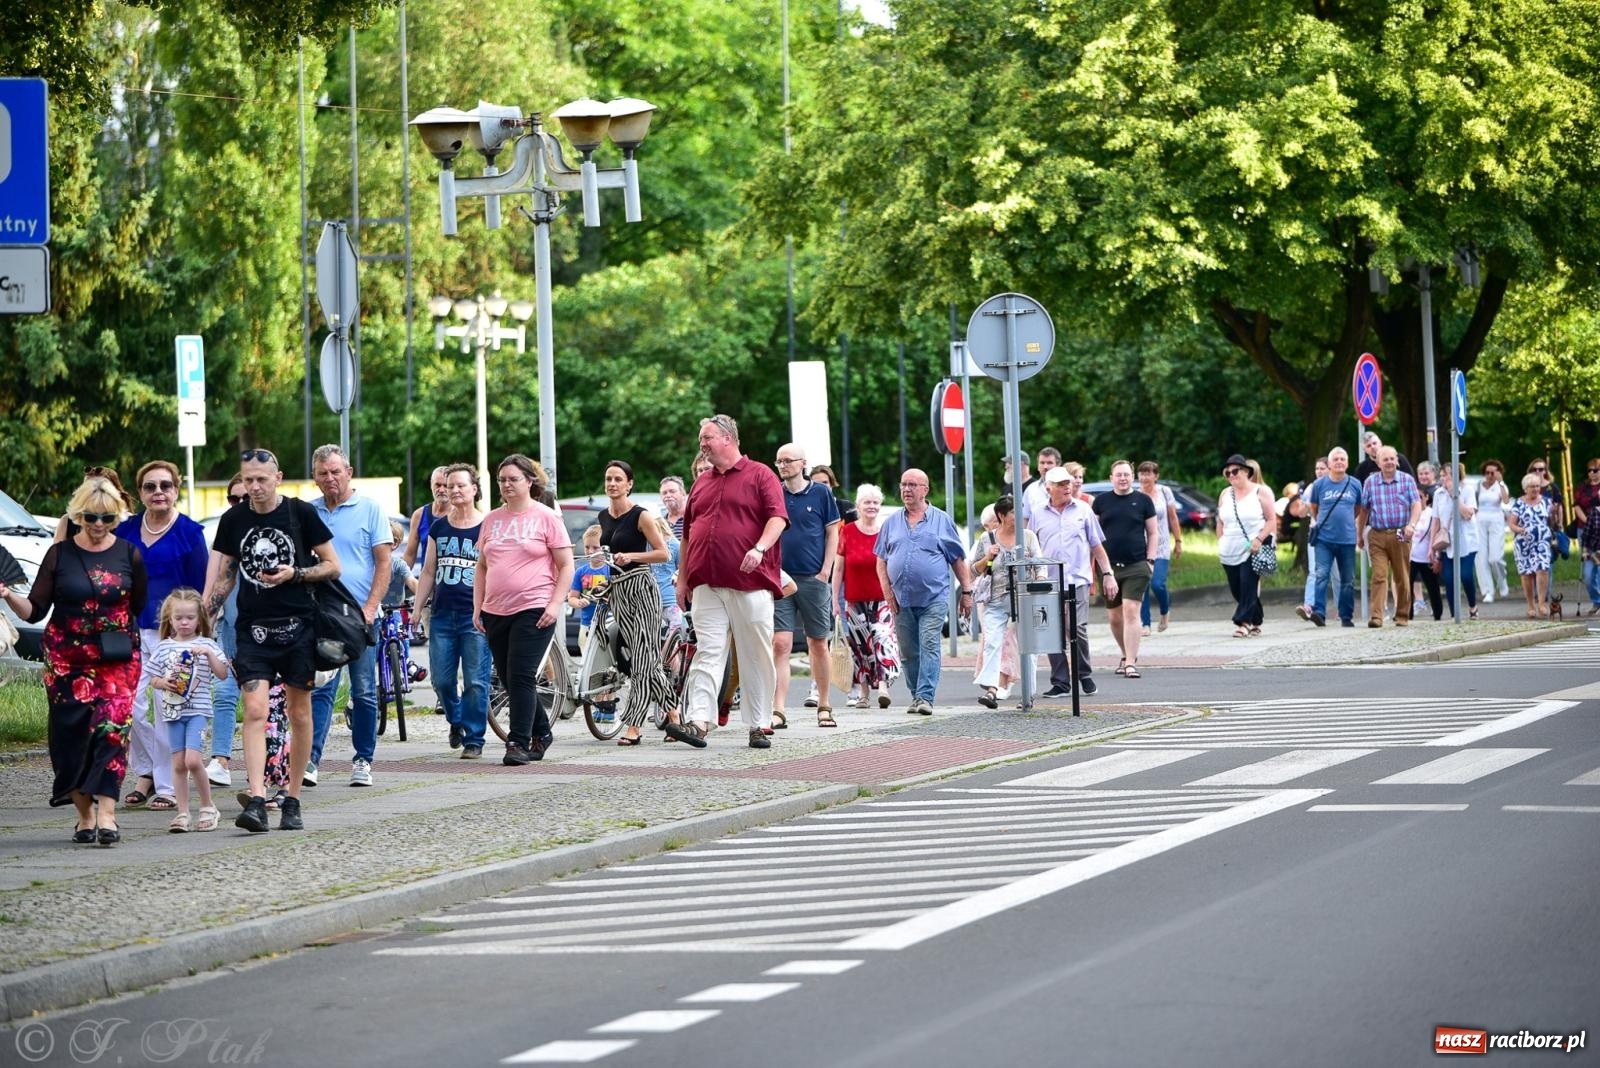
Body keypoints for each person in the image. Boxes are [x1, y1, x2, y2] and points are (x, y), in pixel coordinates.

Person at [1, 476, 146, 846]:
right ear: (76, 515)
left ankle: (108, 816)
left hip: (117, 661)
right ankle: (85, 816)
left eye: (107, 518)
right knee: (71, 742)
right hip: (67, 663)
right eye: (90, 517)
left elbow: (138, 605)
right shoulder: (59, 555)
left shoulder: (129, 553)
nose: (98, 526)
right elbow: (34, 611)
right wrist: (6, 595)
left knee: (112, 732)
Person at [204, 447, 341, 833]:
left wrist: (295, 574)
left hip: (298, 627)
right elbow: (226, 574)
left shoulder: (301, 513)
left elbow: (332, 565)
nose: (254, 487)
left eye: (262, 479)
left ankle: (293, 798)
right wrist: (207, 614)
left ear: (278, 477)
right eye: (248, 480)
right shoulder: (234, 519)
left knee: (299, 713)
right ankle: (258, 798)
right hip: (253, 630)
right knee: (254, 709)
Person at [669, 414, 788, 749]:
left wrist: (759, 548)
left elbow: (778, 518)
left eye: (707, 438)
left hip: (750, 581)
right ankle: (698, 721)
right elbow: (688, 535)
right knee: (707, 652)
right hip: (706, 582)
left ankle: (759, 724)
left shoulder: (761, 474)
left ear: (727, 438)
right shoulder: (702, 483)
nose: (702, 444)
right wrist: (683, 580)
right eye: (701, 439)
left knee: (755, 653)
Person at [115, 460, 209, 814]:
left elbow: (199, 589)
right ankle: (146, 772)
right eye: (150, 486)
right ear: (139, 493)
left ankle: (166, 785)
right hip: (129, 631)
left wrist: (194, 639)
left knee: (167, 707)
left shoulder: (189, 533)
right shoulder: (124, 532)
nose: (158, 492)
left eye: (165, 486)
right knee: (131, 707)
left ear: (176, 489)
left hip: (173, 636)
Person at [475, 453, 574, 764]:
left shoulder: (546, 517)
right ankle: (541, 732)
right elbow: (481, 567)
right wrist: (478, 607)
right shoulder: (491, 519)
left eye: (513, 479)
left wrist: (556, 603)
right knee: (508, 677)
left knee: (521, 674)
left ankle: (517, 743)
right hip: (495, 610)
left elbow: (566, 564)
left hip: (534, 607)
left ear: (530, 481)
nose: (506, 484)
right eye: (502, 480)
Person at [306, 444, 394, 789]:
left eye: (335, 471)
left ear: (349, 472)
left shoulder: (370, 508)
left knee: (364, 690)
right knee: (321, 690)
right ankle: (311, 759)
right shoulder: (309, 512)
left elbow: (384, 563)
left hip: (359, 616)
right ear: (315, 478)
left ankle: (362, 760)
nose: (330, 478)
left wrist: (371, 608)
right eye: (323, 473)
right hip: (322, 616)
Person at [876, 468, 975, 715]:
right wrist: (887, 592)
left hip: (934, 597)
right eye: (903, 485)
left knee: (930, 644)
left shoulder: (942, 521)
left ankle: (925, 697)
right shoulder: (891, 523)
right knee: (909, 652)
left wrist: (967, 592)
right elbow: (881, 560)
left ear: (925, 490)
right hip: (901, 599)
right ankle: (916, 695)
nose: (906, 489)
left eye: (912, 485)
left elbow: (958, 559)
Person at [596, 460, 680, 746]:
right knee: (648, 662)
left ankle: (633, 725)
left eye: (618, 479)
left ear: (629, 484)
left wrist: (631, 556)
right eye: (609, 479)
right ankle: (674, 713)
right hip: (618, 591)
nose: (612, 484)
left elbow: (663, 554)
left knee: (643, 660)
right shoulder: (603, 517)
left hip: (642, 587)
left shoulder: (641, 516)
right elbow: (608, 554)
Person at [413, 462, 491, 759]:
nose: (454, 490)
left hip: (476, 616)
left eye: (461, 485)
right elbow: (429, 571)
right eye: (449, 485)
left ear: (474, 489)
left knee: (475, 680)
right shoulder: (438, 526)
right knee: (442, 680)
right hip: (443, 614)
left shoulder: (487, 525)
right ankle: (456, 720)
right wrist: (418, 609)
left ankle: (474, 739)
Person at [146, 587, 229, 832]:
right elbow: (152, 678)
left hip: (198, 711)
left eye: (190, 618)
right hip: (173, 712)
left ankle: (208, 806)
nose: (184, 622)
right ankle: (183, 812)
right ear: (169, 619)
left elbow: (223, 674)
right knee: (179, 764)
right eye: (178, 617)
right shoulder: (163, 647)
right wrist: (163, 683)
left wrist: (208, 654)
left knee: (193, 760)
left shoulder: (206, 644)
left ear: (199, 618)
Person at [772, 443, 841, 729]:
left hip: (812, 577)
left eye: (788, 460)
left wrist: (825, 571)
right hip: (781, 578)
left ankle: (824, 704)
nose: (783, 465)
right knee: (780, 644)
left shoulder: (821, 492)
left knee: (817, 643)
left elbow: (832, 532)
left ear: (803, 463)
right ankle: (777, 708)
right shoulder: (774, 492)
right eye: (779, 461)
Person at [1032, 467, 1111, 696]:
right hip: (1048, 581)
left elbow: (1096, 545)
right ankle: (1061, 681)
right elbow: (1031, 547)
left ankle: (1083, 673)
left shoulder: (1083, 510)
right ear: (1049, 488)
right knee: (1051, 630)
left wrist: (1107, 574)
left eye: (1068, 482)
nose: (1067, 486)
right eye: (1060, 484)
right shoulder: (1038, 512)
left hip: (1078, 578)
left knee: (1076, 627)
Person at [831, 483, 900, 710]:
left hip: (882, 598)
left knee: (881, 638)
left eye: (875, 502)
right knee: (861, 646)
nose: (871, 506)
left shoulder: (886, 532)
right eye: (867, 502)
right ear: (858, 506)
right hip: (854, 599)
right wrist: (835, 600)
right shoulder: (847, 531)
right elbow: (839, 569)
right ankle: (863, 692)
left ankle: (882, 686)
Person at [968, 495, 1039, 707]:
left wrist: (1040, 581)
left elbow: (1040, 563)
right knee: (992, 642)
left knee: (1028, 645)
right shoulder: (987, 539)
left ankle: (1029, 693)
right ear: (1001, 515)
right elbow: (974, 570)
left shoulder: (1028, 537)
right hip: (996, 598)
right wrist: (988, 556)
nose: (1018, 516)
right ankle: (991, 690)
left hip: (1025, 599)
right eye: (1013, 513)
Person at [1093, 460, 1157, 678]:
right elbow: (1093, 536)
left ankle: (1130, 662)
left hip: (1137, 565)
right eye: (1118, 475)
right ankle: (1125, 653)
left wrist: (1151, 560)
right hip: (1108, 568)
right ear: (1111, 478)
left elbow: (1153, 533)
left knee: (1131, 610)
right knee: (1114, 617)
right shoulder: (1101, 502)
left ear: (1133, 477)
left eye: (1127, 475)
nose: (1122, 478)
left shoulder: (1143, 501)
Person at [206, 474, 248, 788]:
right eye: (234, 499)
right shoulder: (225, 536)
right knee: (224, 693)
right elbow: (217, 583)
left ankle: (274, 769)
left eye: (245, 498)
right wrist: (203, 620)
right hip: (231, 628)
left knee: (268, 704)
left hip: (269, 632)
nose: (240, 504)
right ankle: (220, 760)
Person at [1357, 446, 1423, 628]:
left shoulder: (1407, 480)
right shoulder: (1370, 482)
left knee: (1401, 576)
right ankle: (1376, 617)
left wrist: (1411, 525)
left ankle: (1402, 615)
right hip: (1377, 534)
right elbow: (1364, 509)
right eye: (1385, 459)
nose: (1389, 462)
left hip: (1401, 532)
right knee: (1379, 575)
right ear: (1378, 463)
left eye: (1392, 459)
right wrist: (1360, 535)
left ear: (1397, 461)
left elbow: (1416, 504)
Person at [1217, 453, 1276, 637]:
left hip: (1253, 547)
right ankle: (1256, 619)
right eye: (1228, 473)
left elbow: (1271, 520)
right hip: (1229, 548)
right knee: (1237, 588)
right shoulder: (1225, 494)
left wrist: (1259, 540)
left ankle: (1244, 622)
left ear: (1246, 472)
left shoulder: (1261, 491)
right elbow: (1220, 521)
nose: (1231, 475)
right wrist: (1220, 540)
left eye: (1235, 471)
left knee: (1248, 583)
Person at [1305, 447, 1359, 627]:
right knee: (1321, 575)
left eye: (1343, 459)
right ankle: (1319, 613)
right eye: (1335, 459)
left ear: (1347, 463)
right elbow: (1314, 508)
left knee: (1348, 580)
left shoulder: (1355, 484)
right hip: (1324, 540)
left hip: (1347, 540)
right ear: (1329, 464)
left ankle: (1346, 616)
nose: (1339, 462)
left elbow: (1358, 509)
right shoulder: (1319, 485)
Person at [1431, 462, 1480, 620]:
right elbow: (1436, 521)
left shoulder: (1467, 490)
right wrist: (1432, 547)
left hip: (1467, 540)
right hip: (1448, 543)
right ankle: (1454, 614)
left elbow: (1467, 514)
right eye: (1442, 475)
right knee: (1449, 579)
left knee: (1465, 575)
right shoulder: (1438, 494)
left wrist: (1454, 494)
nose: (1443, 478)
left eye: (1446, 475)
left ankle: (1473, 606)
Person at [1137, 461, 1181, 634]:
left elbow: (1173, 518)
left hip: (1161, 546)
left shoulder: (1164, 491)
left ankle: (1164, 611)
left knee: (1157, 583)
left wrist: (1178, 541)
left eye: (1148, 473)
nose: (1144, 477)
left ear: (1156, 476)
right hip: (1141, 546)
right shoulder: (1135, 495)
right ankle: (1145, 623)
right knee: (1142, 585)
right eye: (1141, 473)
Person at [1507, 472, 1553, 618]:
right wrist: (1520, 530)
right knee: (1526, 574)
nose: (1535, 489)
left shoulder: (1546, 502)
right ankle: (1531, 605)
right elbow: (1511, 524)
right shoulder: (1519, 503)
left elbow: (1552, 519)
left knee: (1542, 569)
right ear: (1525, 488)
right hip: (1523, 543)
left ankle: (1541, 603)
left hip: (1542, 541)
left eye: (1538, 486)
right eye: (1532, 486)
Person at [50, 466, 137, 543]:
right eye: (87, 487)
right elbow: (57, 557)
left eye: (101, 489)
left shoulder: (129, 521)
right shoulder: (68, 521)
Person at [568, 525, 612, 650]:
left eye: (595, 547)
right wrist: (578, 602)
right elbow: (572, 598)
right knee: (587, 662)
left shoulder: (611, 571)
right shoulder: (581, 572)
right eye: (587, 547)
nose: (591, 551)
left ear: (605, 547)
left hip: (607, 624)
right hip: (586, 625)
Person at [1474, 460, 1512, 601]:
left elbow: (1506, 501)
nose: (1490, 475)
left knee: (1495, 558)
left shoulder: (1500, 486)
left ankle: (1502, 582)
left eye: (1493, 473)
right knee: (1481, 558)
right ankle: (1488, 591)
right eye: (1487, 472)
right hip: (1480, 522)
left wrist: (1501, 482)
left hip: (1496, 520)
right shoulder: (1478, 486)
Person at [402, 466, 450, 574]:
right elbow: (410, 555)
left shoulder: (461, 515)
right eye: (437, 485)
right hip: (428, 583)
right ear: (431, 485)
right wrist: (399, 583)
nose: (441, 490)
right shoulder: (419, 515)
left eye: (446, 485)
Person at [1409, 489, 1440, 620]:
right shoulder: (1408, 512)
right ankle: (1407, 613)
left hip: (1427, 556)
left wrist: (1436, 554)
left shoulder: (1431, 514)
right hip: (1410, 556)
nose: (1417, 499)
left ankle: (1437, 613)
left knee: (1432, 587)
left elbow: (1437, 534)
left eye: (1420, 496)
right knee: (1406, 585)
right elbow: (1401, 531)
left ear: (1426, 497)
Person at [1575, 457, 1600, 616]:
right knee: (1588, 574)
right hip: (1586, 531)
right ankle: (1597, 600)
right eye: (1590, 470)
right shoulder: (1583, 488)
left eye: (1595, 470)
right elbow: (1576, 506)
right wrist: (1590, 520)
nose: (1592, 473)